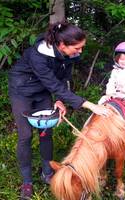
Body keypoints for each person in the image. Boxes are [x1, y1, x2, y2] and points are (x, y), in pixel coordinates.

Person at [8, 21, 111, 200]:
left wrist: (61, 101)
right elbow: (53, 84)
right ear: (62, 44)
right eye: (77, 48)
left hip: (42, 93)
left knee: (46, 132)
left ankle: (47, 172)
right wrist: (90, 105)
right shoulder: (37, 55)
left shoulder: (69, 56)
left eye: (82, 48)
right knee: (25, 135)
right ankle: (27, 182)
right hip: (21, 92)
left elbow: (63, 80)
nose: (80, 52)